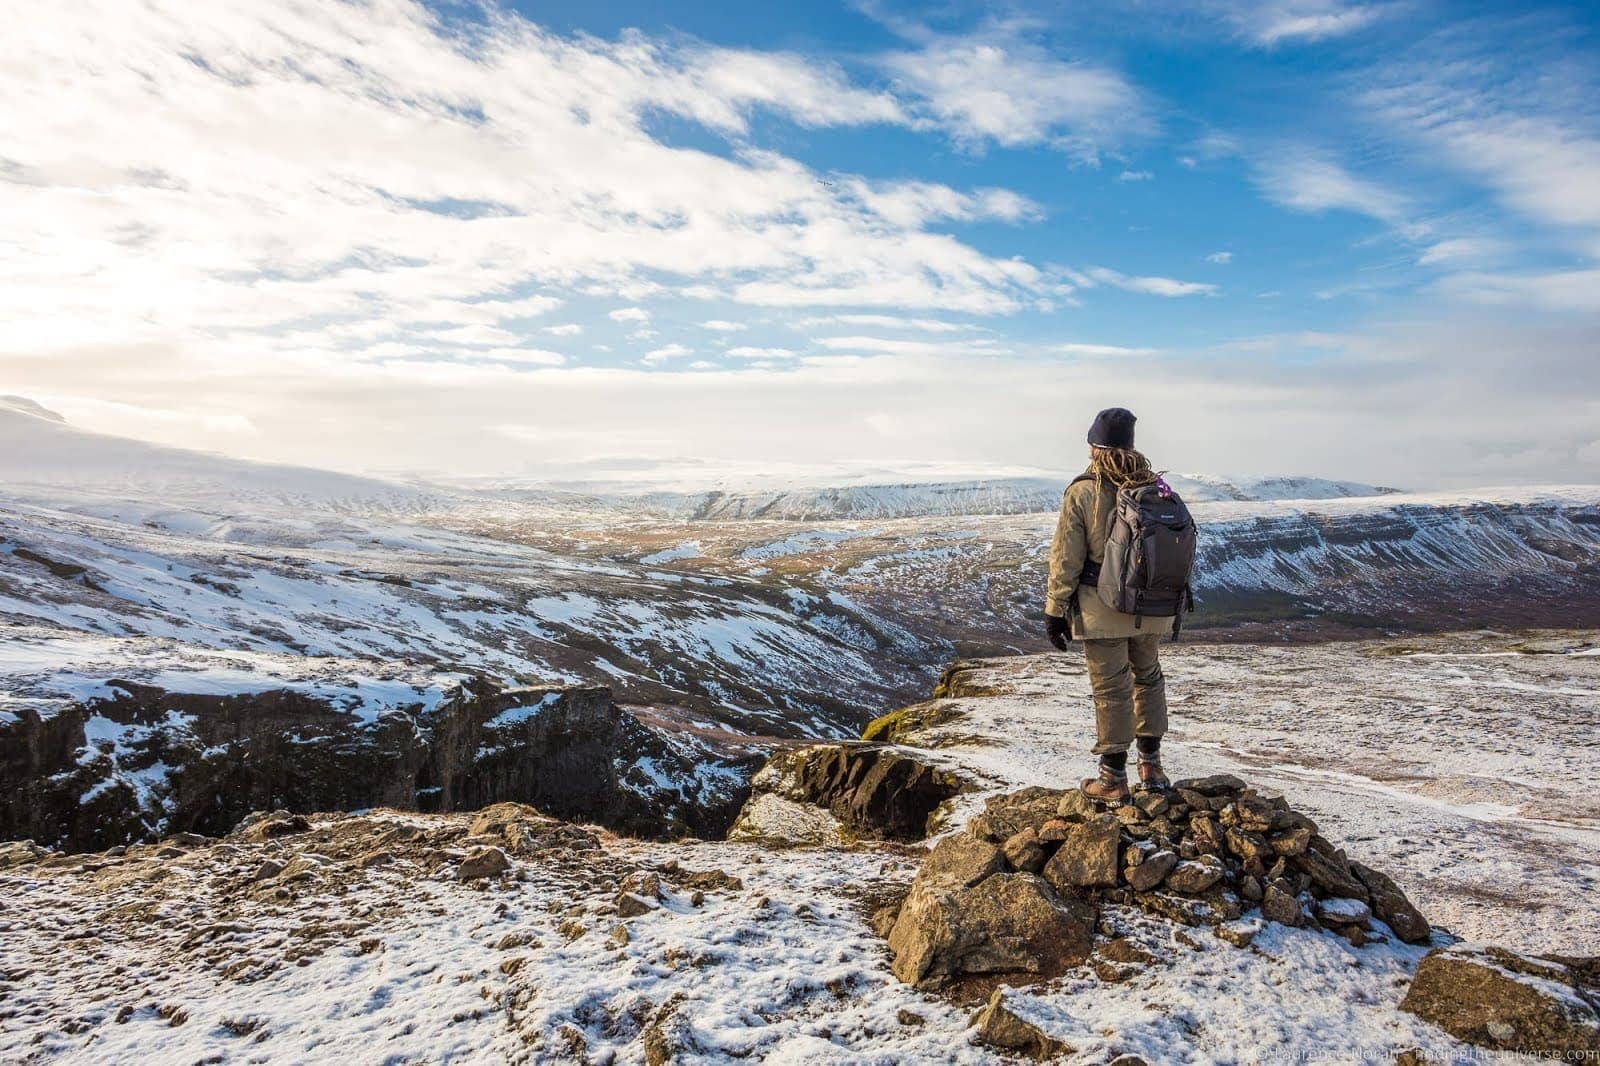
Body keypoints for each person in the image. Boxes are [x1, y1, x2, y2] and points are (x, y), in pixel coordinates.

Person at [1043, 407, 1173, 804]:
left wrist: (1055, 609)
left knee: (1111, 689)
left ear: (1094, 446)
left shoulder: (1084, 491)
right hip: (1152, 605)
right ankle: (1151, 768)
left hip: (1103, 608)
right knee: (1148, 677)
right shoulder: (1156, 487)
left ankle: (1113, 779)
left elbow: (1066, 558)